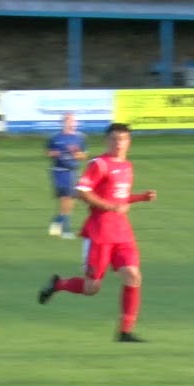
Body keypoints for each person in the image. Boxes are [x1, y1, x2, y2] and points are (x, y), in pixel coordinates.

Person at [37, 123, 157, 342]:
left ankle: (125, 331)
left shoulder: (127, 166)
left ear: (129, 142)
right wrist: (111, 207)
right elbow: (82, 191)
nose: (119, 143)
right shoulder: (99, 164)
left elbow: (120, 198)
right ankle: (59, 284)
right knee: (92, 288)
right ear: (107, 141)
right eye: (114, 139)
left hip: (122, 233)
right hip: (100, 233)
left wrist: (140, 197)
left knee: (133, 276)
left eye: (123, 139)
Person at [46, 113, 87, 239]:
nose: (72, 123)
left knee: (71, 202)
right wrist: (54, 153)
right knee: (65, 199)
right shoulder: (55, 137)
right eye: (69, 120)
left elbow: (84, 156)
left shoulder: (79, 137)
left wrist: (76, 152)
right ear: (63, 122)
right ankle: (66, 230)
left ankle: (57, 222)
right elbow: (48, 152)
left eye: (74, 121)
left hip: (73, 171)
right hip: (59, 171)